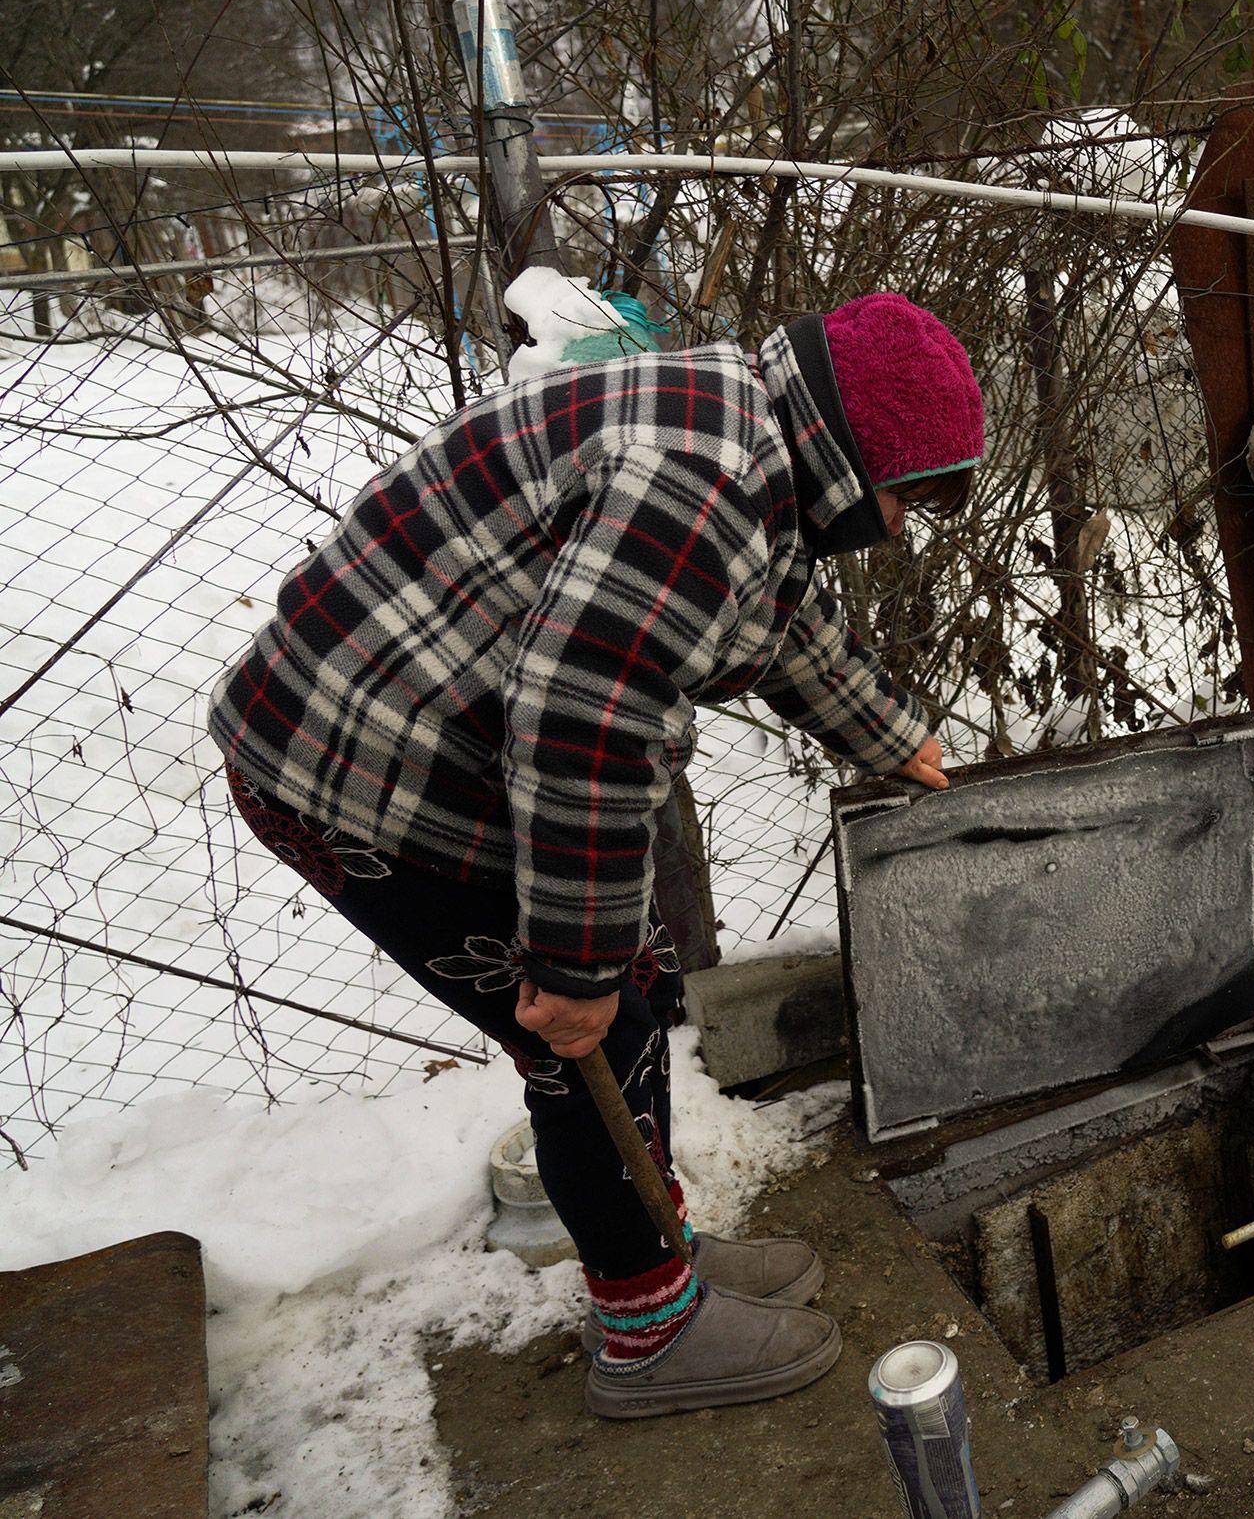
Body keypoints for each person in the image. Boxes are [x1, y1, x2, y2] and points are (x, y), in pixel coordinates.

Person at [209, 292, 982, 1418]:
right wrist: (571, 966)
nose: (900, 528)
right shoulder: (698, 482)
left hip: (432, 739)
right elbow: (585, 722)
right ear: (856, 456)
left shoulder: (746, 435)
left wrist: (891, 732)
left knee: (632, 980)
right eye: (904, 499)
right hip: (353, 766)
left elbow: (785, 616)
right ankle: (647, 1326)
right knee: (589, 1027)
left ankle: (658, 1245)